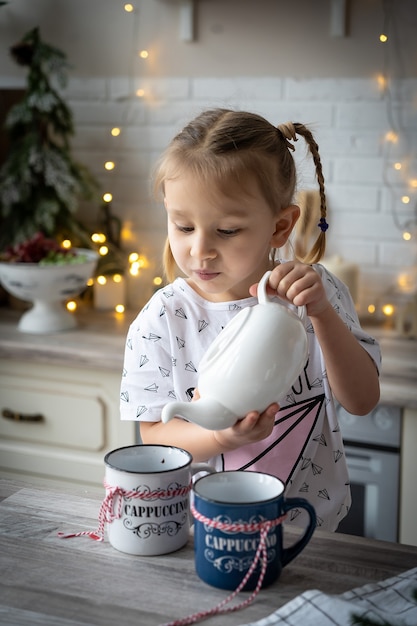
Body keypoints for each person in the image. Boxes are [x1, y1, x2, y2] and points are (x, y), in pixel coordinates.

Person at [120, 108, 381, 531]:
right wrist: (223, 439)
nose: (200, 249)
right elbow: (155, 436)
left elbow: (362, 400)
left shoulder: (317, 295)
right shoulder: (163, 318)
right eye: (183, 226)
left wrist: (322, 316)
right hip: (207, 529)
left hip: (311, 527)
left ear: (280, 226)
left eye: (227, 231)